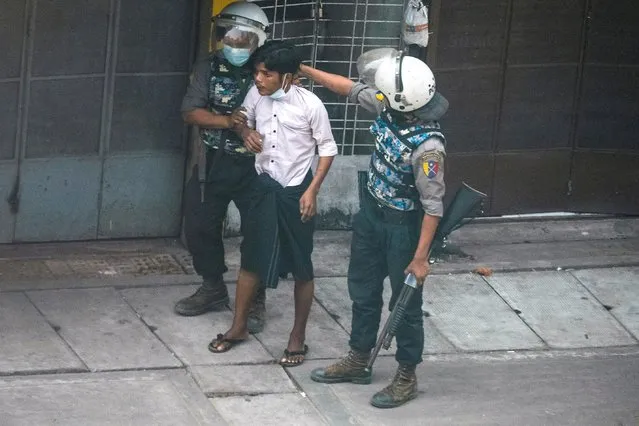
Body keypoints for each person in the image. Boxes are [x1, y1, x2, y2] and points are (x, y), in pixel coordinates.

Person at [298, 50, 449, 408]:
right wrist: (302, 68)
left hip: (404, 230)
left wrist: (420, 258)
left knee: (405, 307)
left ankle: (406, 376)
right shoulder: (388, 106)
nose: (374, 91)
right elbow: (347, 88)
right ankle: (358, 358)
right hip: (371, 217)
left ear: (400, 99)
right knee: (363, 292)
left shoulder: (429, 148)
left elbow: (433, 206)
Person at [207, 41, 338, 368]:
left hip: (296, 192)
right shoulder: (255, 96)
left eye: (267, 74)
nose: (259, 80)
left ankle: (297, 337)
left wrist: (313, 191)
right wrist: (245, 130)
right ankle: (238, 327)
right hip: (263, 187)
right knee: (251, 258)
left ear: (289, 77)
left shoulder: (311, 106)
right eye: (257, 73)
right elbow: (240, 120)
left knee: (301, 266)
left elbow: (327, 150)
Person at [176, 2, 270, 334]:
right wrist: (228, 122)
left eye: (242, 38)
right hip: (213, 163)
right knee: (199, 224)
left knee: (259, 232)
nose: (233, 44)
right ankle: (213, 286)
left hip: (259, 168)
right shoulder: (208, 67)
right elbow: (190, 112)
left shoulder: (268, 71)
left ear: (258, 40)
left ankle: (255, 297)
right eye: (227, 36)